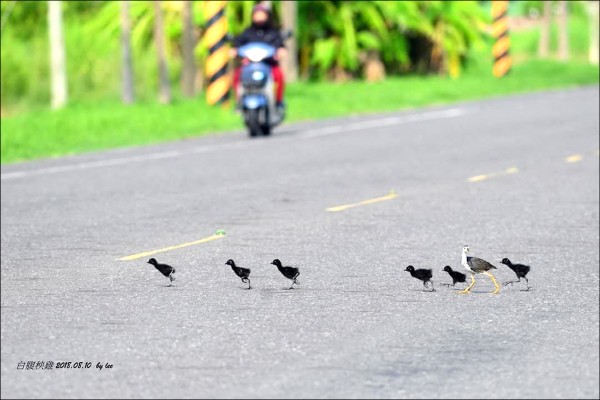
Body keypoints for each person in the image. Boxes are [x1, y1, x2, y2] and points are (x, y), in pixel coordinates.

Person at [231, 4, 287, 111]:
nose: (259, 17)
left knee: (279, 76)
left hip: (268, 64)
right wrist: (234, 50)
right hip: (251, 64)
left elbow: (281, 45)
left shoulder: (273, 33)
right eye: (257, 15)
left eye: (262, 14)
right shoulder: (247, 32)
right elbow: (238, 43)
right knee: (237, 76)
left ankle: (278, 102)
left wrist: (281, 51)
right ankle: (239, 101)